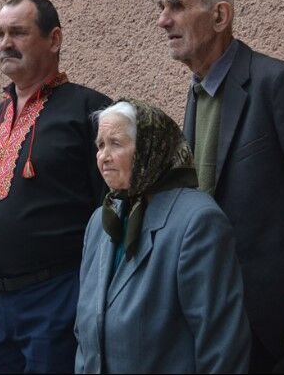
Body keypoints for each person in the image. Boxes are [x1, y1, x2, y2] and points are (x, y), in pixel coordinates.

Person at [157, 0, 284, 373]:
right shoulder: (197, 94)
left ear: (220, 17)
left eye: (176, 7)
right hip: (216, 319)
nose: (163, 21)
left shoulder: (278, 84)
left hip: (280, 329)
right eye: (161, 8)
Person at [0, 0, 110, 374]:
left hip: (58, 296)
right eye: (0, 33)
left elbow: (113, 209)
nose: (6, 43)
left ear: (54, 39)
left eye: (19, 32)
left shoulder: (90, 111)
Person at [75, 99, 250, 373]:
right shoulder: (101, 220)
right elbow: (84, 335)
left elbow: (221, 344)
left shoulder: (197, 221)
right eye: (100, 145)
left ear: (149, 147)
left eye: (116, 144)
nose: (103, 157)